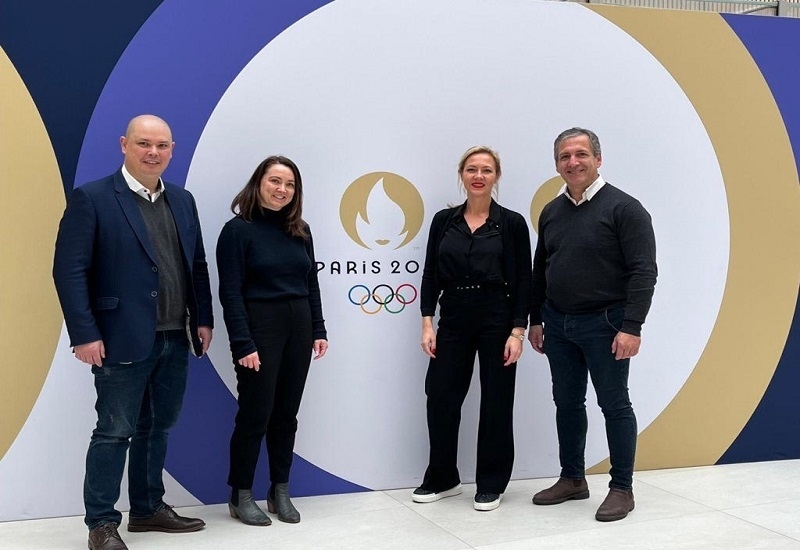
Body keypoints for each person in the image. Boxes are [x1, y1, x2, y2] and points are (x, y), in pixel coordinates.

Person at [53, 114, 214, 550]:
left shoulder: (183, 200)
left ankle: (147, 509)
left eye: (162, 145)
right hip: (118, 337)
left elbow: (196, 264)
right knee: (114, 430)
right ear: (124, 144)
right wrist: (84, 333)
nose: (153, 152)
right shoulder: (93, 198)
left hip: (175, 335)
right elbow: (69, 271)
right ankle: (101, 524)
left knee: (158, 427)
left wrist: (203, 318)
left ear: (172, 151)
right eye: (144, 143)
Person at [528, 127, 657, 522]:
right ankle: (572, 479)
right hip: (558, 324)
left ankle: (622, 488)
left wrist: (632, 326)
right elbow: (540, 268)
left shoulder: (625, 209)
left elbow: (644, 271)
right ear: (557, 165)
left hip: (607, 324)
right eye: (565, 156)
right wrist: (536, 319)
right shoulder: (552, 211)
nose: (573, 162)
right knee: (567, 403)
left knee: (614, 405)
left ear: (598, 159)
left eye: (581, 154)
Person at [412, 146, 532, 512]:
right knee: (441, 396)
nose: (478, 176)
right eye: (471, 169)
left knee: (496, 401)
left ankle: (491, 483)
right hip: (453, 316)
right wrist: (427, 321)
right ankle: (443, 478)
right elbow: (430, 273)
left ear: (496, 177)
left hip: (498, 316)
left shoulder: (511, 223)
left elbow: (524, 281)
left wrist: (518, 331)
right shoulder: (443, 221)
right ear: (462, 175)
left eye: (486, 170)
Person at [217, 155, 328, 527]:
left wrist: (318, 329)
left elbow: (311, 283)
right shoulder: (238, 231)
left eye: (290, 184)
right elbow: (230, 293)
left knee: (286, 416)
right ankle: (240, 493)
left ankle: (279, 490)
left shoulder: (301, 230)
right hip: (260, 329)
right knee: (255, 414)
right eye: (275, 181)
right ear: (258, 183)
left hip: (299, 327)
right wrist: (242, 343)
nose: (282, 189)